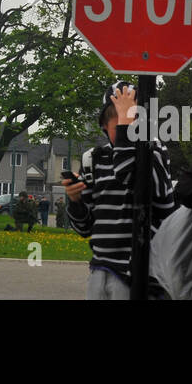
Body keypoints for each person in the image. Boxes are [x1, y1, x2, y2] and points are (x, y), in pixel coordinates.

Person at [64, 83, 176, 299]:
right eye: (122, 125)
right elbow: (85, 228)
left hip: (141, 274)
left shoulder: (154, 150)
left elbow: (140, 182)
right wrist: (75, 201)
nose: (129, 131)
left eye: (134, 124)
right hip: (100, 271)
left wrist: (124, 127)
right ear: (104, 126)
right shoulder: (93, 160)